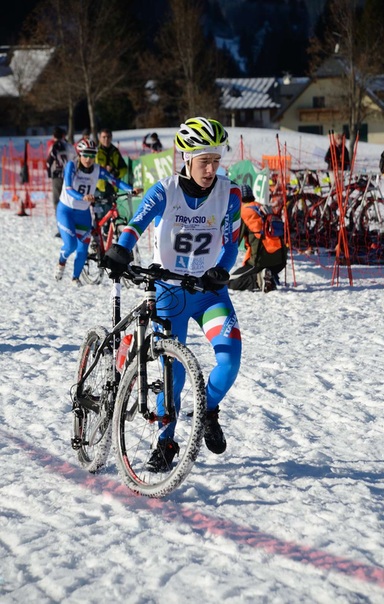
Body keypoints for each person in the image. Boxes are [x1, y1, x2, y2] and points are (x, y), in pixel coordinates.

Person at [102, 116, 242, 471]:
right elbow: (136, 225)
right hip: (169, 290)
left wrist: (221, 271)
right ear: (186, 158)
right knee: (173, 375)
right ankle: (165, 442)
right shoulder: (166, 190)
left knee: (229, 361)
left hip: (209, 292)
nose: (211, 169)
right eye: (203, 161)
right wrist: (121, 249)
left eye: (215, 160)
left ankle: (208, 409)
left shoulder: (230, 194)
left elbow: (232, 243)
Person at [54, 139, 132, 286]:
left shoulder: (97, 169)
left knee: (83, 249)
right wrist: (82, 197)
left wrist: (130, 189)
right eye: (85, 155)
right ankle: (61, 262)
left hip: (83, 213)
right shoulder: (72, 166)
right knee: (70, 245)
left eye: (92, 155)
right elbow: (69, 188)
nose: (88, 159)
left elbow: (114, 181)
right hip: (66, 210)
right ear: (79, 154)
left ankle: (75, 278)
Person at [228, 184, 287, 293]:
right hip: (280, 261)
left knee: (230, 281)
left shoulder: (243, 212)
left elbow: (234, 242)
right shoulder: (264, 208)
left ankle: (258, 279)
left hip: (259, 261)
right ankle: (269, 275)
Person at [46, 127, 76, 221]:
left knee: (57, 201)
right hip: (69, 176)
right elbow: (75, 159)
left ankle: (61, 223)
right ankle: (71, 222)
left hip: (57, 176)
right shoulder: (69, 146)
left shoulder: (54, 146)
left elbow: (49, 161)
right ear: (63, 135)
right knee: (69, 200)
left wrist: (49, 173)